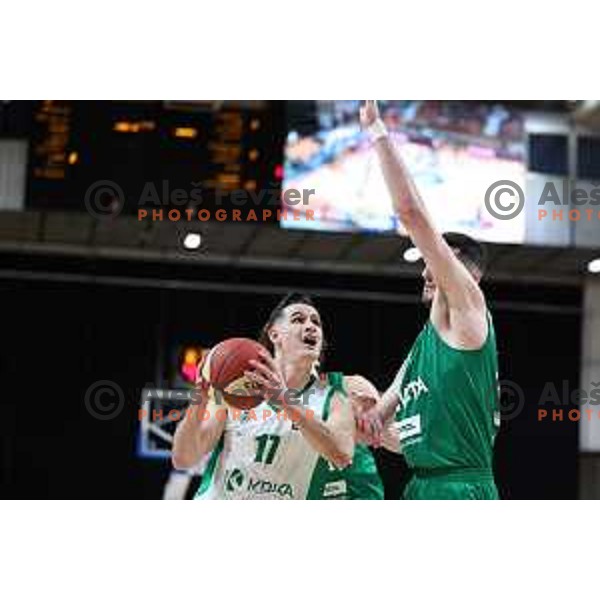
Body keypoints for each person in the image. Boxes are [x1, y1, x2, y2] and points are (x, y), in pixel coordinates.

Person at [357, 100, 500, 500]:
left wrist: (377, 132)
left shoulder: (469, 308)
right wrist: (360, 418)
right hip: (422, 483)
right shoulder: (427, 344)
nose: (424, 271)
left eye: (433, 262)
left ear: (462, 273)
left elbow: (410, 213)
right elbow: (394, 418)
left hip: (458, 490)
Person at [172, 293, 383, 500]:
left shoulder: (334, 397)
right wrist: (198, 403)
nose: (311, 326)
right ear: (274, 334)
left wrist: (285, 401)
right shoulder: (236, 389)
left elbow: (341, 455)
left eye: (316, 323)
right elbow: (183, 459)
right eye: (298, 320)